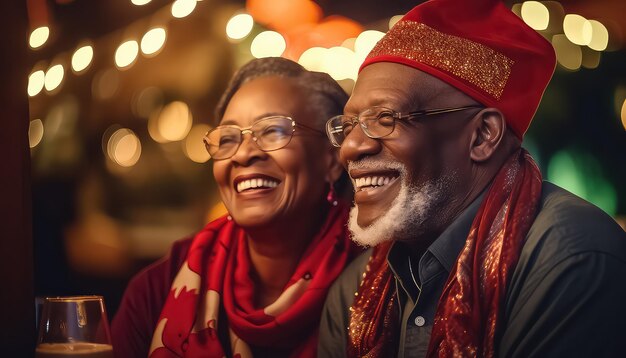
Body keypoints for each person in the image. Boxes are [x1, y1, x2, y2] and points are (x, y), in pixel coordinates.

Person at [318, 0, 626, 357]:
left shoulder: (571, 260)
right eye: (349, 125)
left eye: (385, 118)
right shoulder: (358, 289)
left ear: (482, 136)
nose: (351, 147)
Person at [111, 57, 360, 357]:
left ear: (332, 160)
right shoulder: (158, 287)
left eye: (273, 131)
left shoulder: (379, 280)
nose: (242, 154)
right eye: (227, 138)